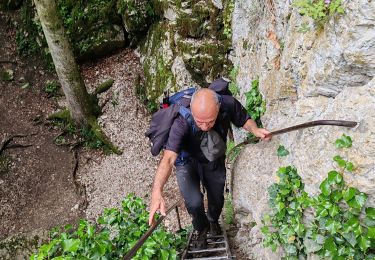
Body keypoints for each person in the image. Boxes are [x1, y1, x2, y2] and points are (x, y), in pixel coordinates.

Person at [148, 87, 271, 249]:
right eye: (199, 122)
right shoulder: (181, 121)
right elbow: (169, 158)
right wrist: (157, 191)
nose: (205, 127)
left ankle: (213, 220)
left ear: (218, 108)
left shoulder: (227, 104)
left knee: (217, 197)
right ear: (191, 111)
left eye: (210, 121)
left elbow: (243, 119)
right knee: (193, 202)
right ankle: (201, 228)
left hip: (212, 156)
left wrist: (255, 130)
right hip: (186, 160)